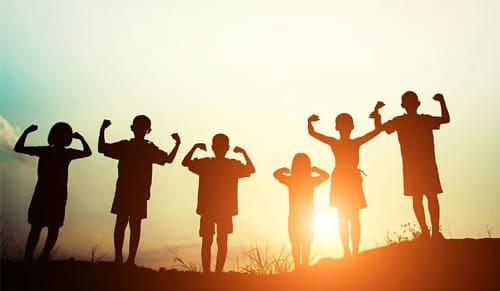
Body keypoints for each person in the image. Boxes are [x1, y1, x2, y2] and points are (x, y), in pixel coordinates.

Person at [98, 115, 180, 266]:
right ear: (148, 130)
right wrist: (177, 144)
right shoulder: (143, 148)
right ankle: (126, 259)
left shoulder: (134, 147)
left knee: (125, 223)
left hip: (131, 191)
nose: (140, 130)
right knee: (130, 224)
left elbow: (102, 148)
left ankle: (123, 259)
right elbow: (168, 159)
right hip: (131, 191)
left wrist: (102, 129)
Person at [307, 102, 382, 257]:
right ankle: (351, 251)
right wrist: (376, 116)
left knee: (345, 217)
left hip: (344, 178)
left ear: (337, 127)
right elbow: (377, 131)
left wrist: (309, 122)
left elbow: (313, 134)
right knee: (351, 216)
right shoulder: (353, 142)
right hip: (346, 179)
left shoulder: (338, 142)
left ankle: (349, 251)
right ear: (352, 127)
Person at [14, 122, 92, 262]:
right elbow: (87, 152)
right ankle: (40, 257)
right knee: (49, 227)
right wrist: (80, 138)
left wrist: (27, 132)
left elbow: (18, 148)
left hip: (46, 193)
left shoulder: (47, 151)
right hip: (53, 194)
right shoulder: (65, 153)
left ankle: (31, 257)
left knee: (40, 227)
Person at [380, 91, 450, 240]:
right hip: (423, 165)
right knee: (428, 197)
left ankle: (428, 231)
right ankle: (431, 232)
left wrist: (377, 114)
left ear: (402, 105)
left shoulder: (402, 121)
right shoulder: (420, 120)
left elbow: (381, 129)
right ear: (418, 104)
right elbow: (445, 119)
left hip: (417, 166)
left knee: (420, 197)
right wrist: (441, 101)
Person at [182, 134, 255, 273]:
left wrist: (195, 147)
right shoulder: (231, 165)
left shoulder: (207, 164)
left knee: (208, 241)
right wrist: (244, 153)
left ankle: (208, 273)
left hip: (210, 208)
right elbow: (251, 169)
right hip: (221, 209)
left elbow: (185, 162)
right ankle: (216, 273)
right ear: (227, 148)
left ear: (212, 147)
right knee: (221, 241)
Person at [273, 153, 329, 270]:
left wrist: (283, 169)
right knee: (306, 241)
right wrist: (315, 169)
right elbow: (326, 175)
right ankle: (304, 265)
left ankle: (298, 266)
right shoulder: (310, 180)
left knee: (296, 241)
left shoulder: (291, 180)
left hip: (295, 215)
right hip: (308, 215)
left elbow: (276, 174)